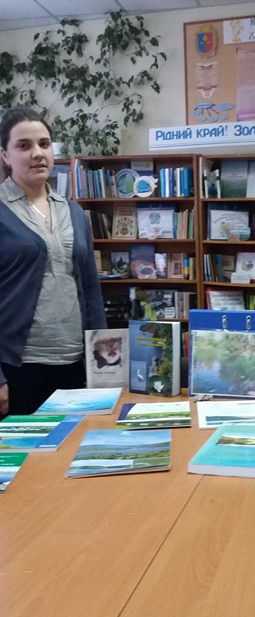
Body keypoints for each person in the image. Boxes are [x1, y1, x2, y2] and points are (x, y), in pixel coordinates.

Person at [0, 107, 106, 417]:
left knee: (75, 443)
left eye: (44, 144)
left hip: (74, 362)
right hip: (17, 366)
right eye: (24, 146)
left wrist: (102, 357)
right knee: (23, 449)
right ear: (5, 155)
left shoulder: (72, 211)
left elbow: (91, 288)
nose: (37, 153)